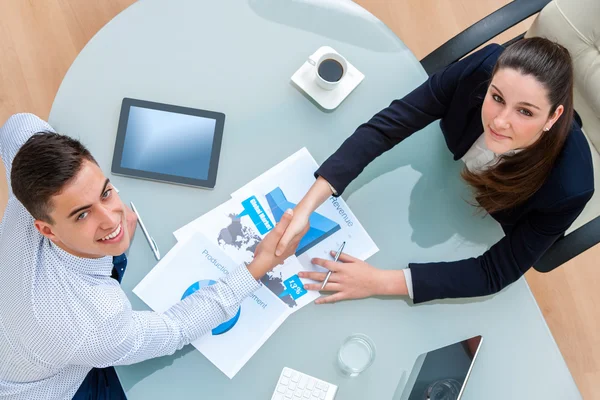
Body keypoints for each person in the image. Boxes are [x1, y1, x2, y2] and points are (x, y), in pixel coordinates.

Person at [0, 114, 305, 399]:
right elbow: (176, 330)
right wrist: (260, 264)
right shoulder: (95, 323)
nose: (111, 219)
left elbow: (18, 125)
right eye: (82, 215)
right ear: (47, 230)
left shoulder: (28, 189)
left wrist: (100, 224)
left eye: (105, 193)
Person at [275, 38, 594, 305]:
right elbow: (389, 125)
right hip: (437, 174)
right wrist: (307, 206)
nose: (499, 121)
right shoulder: (480, 69)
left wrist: (378, 282)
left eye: (525, 111)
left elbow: (496, 271)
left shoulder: (570, 186)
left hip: (480, 224)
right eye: (496, 98)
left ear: (554, 117)